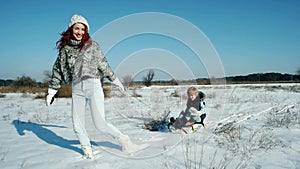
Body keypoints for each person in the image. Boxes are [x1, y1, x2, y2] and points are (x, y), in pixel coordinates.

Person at [46, 14, 145, 159]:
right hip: (77, 88)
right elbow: (57, 70)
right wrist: (52, 91)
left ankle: (125, 141)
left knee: (100, 124)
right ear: (71, 29)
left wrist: (115, 80)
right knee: (77, 125)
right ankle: (88, 154)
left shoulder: (92, 45)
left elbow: (103, 64)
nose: (80, 32)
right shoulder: (65, 50)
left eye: (83, 29)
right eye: (77, 28)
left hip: (93, 85)